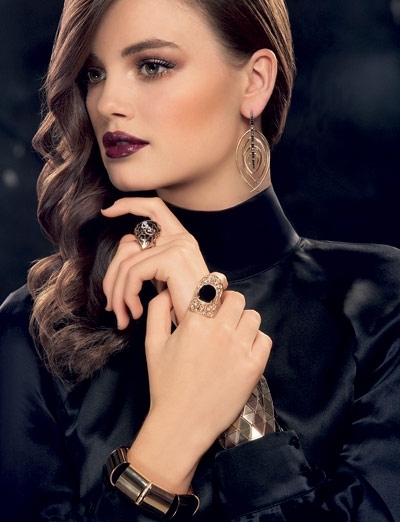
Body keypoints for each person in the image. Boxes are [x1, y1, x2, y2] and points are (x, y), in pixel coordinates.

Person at [1, 0, 400, 520]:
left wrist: (245, 418)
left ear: (255, 82)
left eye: (152, 65)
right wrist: (171, 438)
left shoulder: (380, 302)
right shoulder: (37, 330)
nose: (107, 102)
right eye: (94, 73)